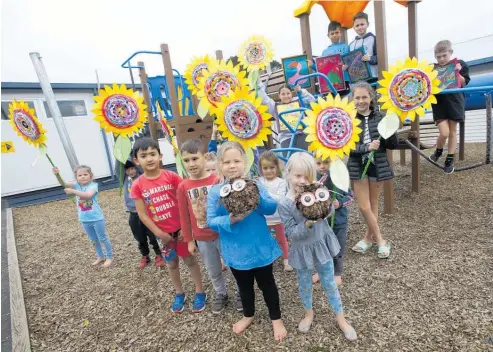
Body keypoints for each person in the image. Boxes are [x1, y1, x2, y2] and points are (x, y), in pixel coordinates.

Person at [206, 141, 287, 341]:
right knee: (244, 286)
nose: (232, 165)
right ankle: (248, 314)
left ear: (245, 162)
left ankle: (276, 318)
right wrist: (229, 219)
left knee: (267, 284)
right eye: (226, 162)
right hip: (236, 250)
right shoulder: (216, 192)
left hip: (259, 246)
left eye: (236, 160)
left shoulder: (256, 184)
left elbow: (270, 209)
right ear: (219, 166)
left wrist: (256, 196)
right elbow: (210, 221)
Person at [277, 152, 357, 340]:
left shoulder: (318, 190)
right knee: (304, 284)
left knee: (329, 283)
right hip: (302, 250)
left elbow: (328, 211)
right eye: (298, 176)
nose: (303, 181)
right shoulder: (285, 203)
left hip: (321, 244)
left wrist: (325, 210)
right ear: (288, 173)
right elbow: (290, 232)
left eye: (307, 176)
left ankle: (341, 318)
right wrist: (308, 223)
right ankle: (308, 313)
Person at [130, 137, 207, 313]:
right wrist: (159, 233)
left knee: (190, 260)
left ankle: (200, 291)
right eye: (144, 155)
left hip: (181, 231)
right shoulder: (137, 185)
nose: (149, 159)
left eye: (152, 154)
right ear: (136, 160)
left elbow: (187, 201)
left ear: (160, 156)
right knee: (171, 264)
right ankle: (179, 293)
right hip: (162, 235)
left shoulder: (171, 177)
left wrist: (186, 229)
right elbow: (142, 214)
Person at [177, 139, 242, 314]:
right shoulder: (183, 186)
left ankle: (241, 292)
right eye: (187, 160)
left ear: (204, 157)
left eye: (195, 158)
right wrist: (189, 240)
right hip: (202, 238)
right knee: (213, 269)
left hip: (223, 234)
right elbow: (184, 216)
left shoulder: (218, 180)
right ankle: (221, 293)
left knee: (233, 264)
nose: (191, 164)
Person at [347, 81, 397, 259]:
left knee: (373, 204)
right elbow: (347, 147)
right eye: (357, 97)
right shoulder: (348, 119)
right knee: (363, 206)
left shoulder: (381, 116)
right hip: (358, 166)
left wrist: (390, 130)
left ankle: (368, 239)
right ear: (352, 99)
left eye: (364, 97)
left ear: (371, 97)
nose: (361, 101)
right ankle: (381, 240)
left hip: (378, 165)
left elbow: (392, 145)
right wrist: (366, 148)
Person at [53, 165, 113, 267]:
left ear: (90, 176)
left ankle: (109, 257)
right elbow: (63, 183)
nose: (83, 176)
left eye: (85, 174)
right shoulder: (77, 185)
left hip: (96, 218)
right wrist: (57, 175)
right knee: (94, 240)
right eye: (79, 175)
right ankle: (100, 256)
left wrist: (72, 191)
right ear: (76, 177)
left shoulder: (93, 185)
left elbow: (87, 195)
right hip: (84, 219)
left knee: (102, 238)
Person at [429, 40, 471, 174]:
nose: (441, 59)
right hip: (439, 103)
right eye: (438, 56)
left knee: (452, 131)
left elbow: (464, 82)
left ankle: (449, 159)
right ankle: (438, 151)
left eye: (444, 55)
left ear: (450, 53)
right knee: (444, 132)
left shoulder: (460, 64)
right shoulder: (432, 68)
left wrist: (457, 72)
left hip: (455, 101)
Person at [123, 159, 164, 269]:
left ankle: (159, 254)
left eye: (133, 168)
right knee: (139, 236)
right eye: (128, 170)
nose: (131, 171)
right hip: (133, 214)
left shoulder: (141, 178)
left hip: (146, 213)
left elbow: (140, 164)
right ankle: (145, 255)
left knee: (152, 235)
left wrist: (132, 155)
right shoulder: (124, 180)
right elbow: (118, 166)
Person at [258, 151, 292, 272]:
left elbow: (280, 199)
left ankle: (286, 260)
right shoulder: (259, 182)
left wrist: (265, 192)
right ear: (261, 169)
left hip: (278, 218)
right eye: (265, 168)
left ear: (277, 167)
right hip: (264, 218)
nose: (268, 171)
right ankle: (268, 259)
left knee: (282, 239)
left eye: (272, 167)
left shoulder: (281, 182)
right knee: (265, 239)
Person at [348, 12, 378, 80]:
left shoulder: (374, 38)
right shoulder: (351, 45)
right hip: (357, 78)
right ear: (353, 27)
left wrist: (370, 58)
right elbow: (350, 62)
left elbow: (380, 57)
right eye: (357, 25)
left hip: (372, 77)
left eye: (362, 24)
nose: (360, 27)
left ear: (367, 24)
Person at [322, 21, 350, 89]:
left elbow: (350, 61)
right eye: (332, 33)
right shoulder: (325, 52)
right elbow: (323, 68)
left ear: (341, 33)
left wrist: (346, 65)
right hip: (332, 82)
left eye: (337, 32)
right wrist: (312, 66)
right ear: (328, 35)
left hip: (345, 80)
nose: (334, 35)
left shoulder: (346, 47)